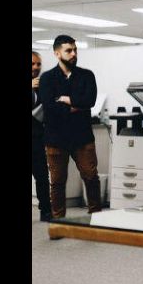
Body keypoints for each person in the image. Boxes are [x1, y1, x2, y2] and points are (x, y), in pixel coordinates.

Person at [39, 35, 102, 218]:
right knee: (57, 182)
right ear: (57, 53)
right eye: (69, 50)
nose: (73, 54)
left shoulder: (86, 75)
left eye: (75, 50)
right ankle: (58, 221)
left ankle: (96, 217)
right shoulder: (47, 78)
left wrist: (65, 99)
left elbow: (89, 100)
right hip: (55, 138)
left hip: (82, 137)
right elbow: (49, 107)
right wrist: (76, 106)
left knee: (91, 177)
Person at [32, 51, 52, 222]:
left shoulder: (42, 85)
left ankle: (46, 210)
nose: (36, 67)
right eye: (32, 64)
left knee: (42, 176)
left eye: (38, 64)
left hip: (37, 138)